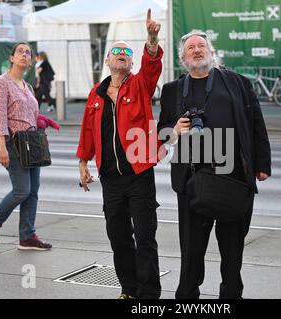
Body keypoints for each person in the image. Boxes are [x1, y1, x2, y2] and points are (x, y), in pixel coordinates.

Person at [157, 31, 271, 299]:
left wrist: (262, 163)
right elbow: (162, 131)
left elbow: (257, 124)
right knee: (191, 251)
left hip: (233, 177)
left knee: (232, 251)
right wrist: (174, 130)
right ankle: (187, 297)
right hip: (191, 180)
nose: (197, 50)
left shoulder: (238, 83)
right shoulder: (172, 90)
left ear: (211, 51)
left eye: (201, 46)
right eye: (191, 48)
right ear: (183, 58)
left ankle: (231, 296)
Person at [76, 9, 163, 299]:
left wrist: (151, 39)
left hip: (139, 175)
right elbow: (89, 132)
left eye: (127, 52)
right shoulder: (95, 94)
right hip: (110, 179)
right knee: (119, 237)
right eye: (117, 51)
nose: (122, 54)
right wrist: (83, 163)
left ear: (131, 60)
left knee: (145, 238)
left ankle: (149, 295)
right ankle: (129, 289)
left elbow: (152, 65)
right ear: (107, 60)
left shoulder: (139, 84)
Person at [0, 42, 55, 251]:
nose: (25, 55)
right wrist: (1, 145)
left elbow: (30, 116)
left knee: (33, 191)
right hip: (13, 142)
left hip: (32, 142)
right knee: (22, 190)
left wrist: (41, 129)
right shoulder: (2, 83)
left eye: (28, 53)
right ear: (12, 58)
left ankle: (27, 236)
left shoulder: (29, 86)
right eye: (20, 52)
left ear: (31, 62)